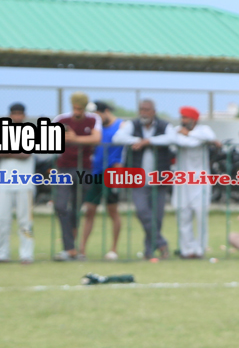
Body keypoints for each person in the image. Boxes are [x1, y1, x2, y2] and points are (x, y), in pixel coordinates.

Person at [112, 99, 173, 259]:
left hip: (159, 178)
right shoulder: (132, 125)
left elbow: (172, 138)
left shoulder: (164, 125)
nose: (143, 113)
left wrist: (149, 141)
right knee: (142, 212)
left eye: (146, 109)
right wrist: (138, 141)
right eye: (141, 109)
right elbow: (117, 138)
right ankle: (161, 243)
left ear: (154, 111)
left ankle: (149, 251)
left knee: (157, 217)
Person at [163, 106, 219, 259]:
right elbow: (180, 141)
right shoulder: (177, 130)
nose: (183, 120)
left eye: (185, 117)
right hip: (182, 181)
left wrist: (189, 134)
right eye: (182, 117)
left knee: (201, 216)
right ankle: (186, 250)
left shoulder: (204, 130)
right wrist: (192, 138)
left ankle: (200, 249)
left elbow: (209, 137)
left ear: (194, 119)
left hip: (200, 180)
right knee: (183, 215)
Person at [53, 92, 102, 261]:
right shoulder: (61, 119)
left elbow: (96, 138)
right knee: (60, 205)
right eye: (75, 108)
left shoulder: (94, 119)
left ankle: (72, 248)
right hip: (63, 168)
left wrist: (75, 139)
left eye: (80, 108)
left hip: (84, 169)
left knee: (76, 208)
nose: (77, 111)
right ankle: (70, 247)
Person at [77, 102, 125, 260]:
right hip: (95, 172)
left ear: (106, 111)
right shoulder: (95, 128)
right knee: (89, 210)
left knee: (113, 211)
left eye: (97, 115)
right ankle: (82, 249)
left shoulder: (121, 125)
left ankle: (113, 249)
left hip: (112, 173)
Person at [0, 103, 36, 264]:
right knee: (1, 219)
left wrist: (6, 152)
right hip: (4, 182)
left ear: (24, 116)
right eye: (14, 114)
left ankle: (26, 254)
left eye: (20, 114)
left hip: (25, 182)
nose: (17, 117)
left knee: (25, 220)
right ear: (9, 115)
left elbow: (26, 154)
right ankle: (1, 254)